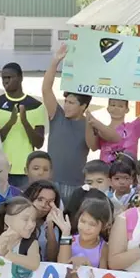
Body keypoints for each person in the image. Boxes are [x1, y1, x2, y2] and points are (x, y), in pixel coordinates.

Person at [43, 45, 91, 187]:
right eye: (66, 101)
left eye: (71, 103)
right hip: (52, 183)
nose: (66, 105)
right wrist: (55, 62)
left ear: (83, 106)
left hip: (76, 184)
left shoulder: (90, 124)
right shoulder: (57, 116)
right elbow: (46, 89)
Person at [89, 67, 140, 163]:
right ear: (108, 108)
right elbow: (93, 147)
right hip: (106, 175)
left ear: (127, 109)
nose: (116, 108)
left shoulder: (133, 127)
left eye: (120, 106)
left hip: (128, 174)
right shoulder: (100, 130)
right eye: (112, 105)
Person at [0, 62, 45, 187]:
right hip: (0, 168)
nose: (5, 81)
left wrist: (25, 122)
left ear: (21, 78)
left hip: (25, 170)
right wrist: (10, 122)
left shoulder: (36, 106)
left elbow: (39, 143)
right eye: (3, 78)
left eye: (9, 77)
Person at [0, 196, 41, 272]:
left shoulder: (31, 243)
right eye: (25, 219)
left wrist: (7, 254)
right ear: (7, 220)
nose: (31, 224)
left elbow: (34, 264)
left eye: (34, 220)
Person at [49, 196, 112, 269]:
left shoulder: (103, 247)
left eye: (92, 224)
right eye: (83, 221)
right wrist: (65, 233)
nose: (86, 228)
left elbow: (102, 275)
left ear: (104, 226)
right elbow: (61, 266)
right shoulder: (70, 240)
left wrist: (88, 266)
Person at [23, 180, 61, 262]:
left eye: (49, 202)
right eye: (40, 199)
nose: (43, 205)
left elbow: (52, 259)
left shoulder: (54, 227)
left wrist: (50, 226)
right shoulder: (16, 219)